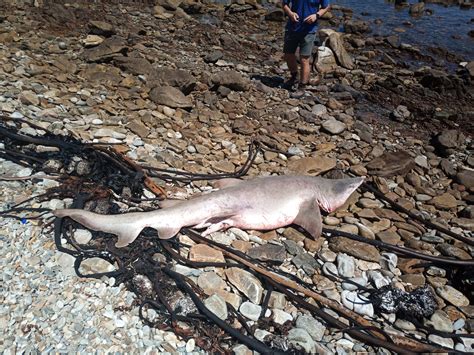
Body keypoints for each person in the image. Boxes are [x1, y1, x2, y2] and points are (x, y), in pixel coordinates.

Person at [282, 0, 330, 90]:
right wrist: (290, 13)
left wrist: (316, 15)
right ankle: (294, 77)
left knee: (304, 59)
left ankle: (302, 86)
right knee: (288, 54)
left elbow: (326, 6)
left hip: (309, 30)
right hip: (292, 28)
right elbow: (284, 4)